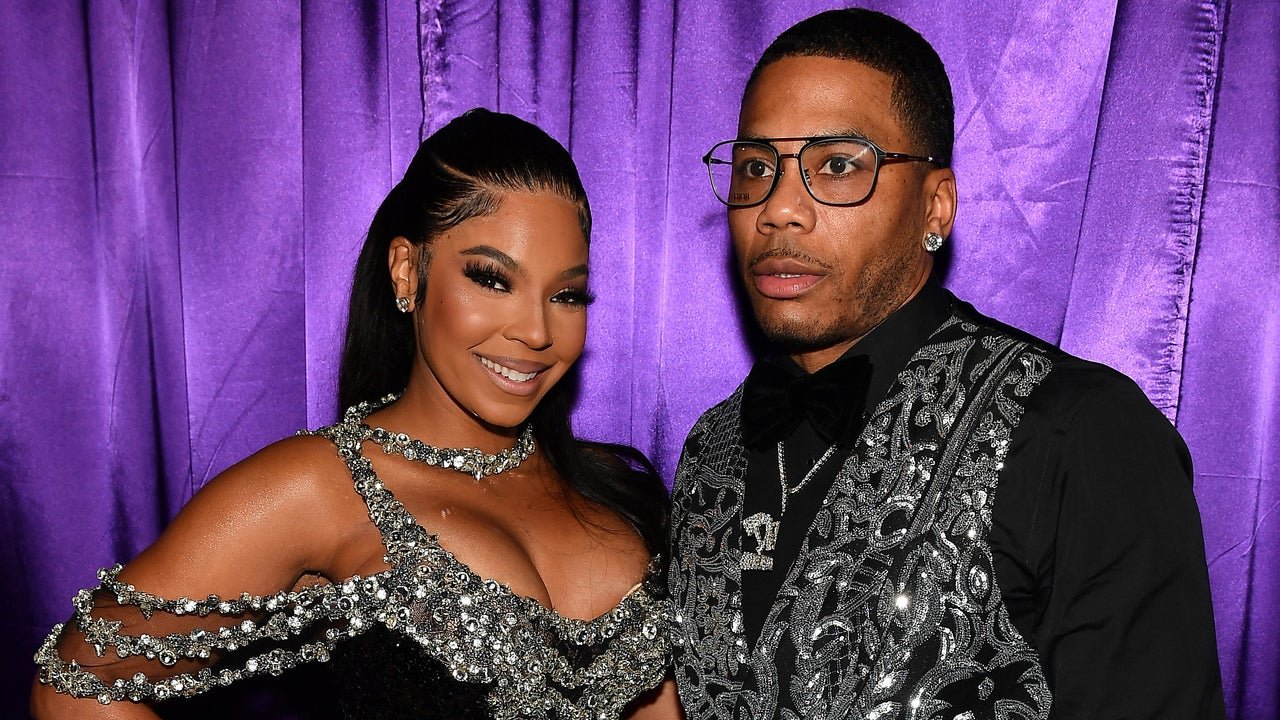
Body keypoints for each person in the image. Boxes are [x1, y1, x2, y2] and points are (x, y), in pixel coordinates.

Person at [32, 109, 681, 720]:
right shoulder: (323, 488)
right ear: (407, 271)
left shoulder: (607, 487)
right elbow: (74, 681)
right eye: (491, 279)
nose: (536, 331)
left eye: (567, 295)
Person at [667, 9, 1225, 719]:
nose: (779, 210)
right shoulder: (711, 447)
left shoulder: (1080, 435)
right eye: (756, 168)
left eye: (837, 165)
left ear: (936, 208)